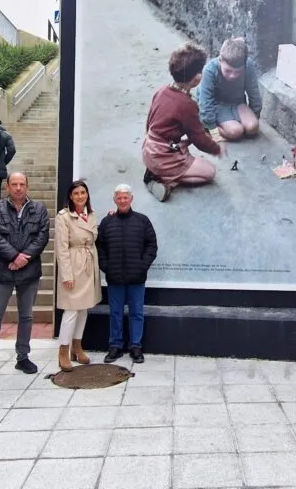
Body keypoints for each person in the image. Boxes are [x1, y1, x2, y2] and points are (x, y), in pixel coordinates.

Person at [0, 172, 50, 379]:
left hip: (29, 272)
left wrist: (24, 258)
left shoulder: (39, 209)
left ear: (27, 186)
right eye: (14, 184)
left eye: (22, 184)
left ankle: (23, 357)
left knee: (26, 316)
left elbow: (42, 236)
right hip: (2, 271)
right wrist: (14, 256)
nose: (18, 188)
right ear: (7, 186)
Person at [142, 43, 225, 202]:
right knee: (210, 172)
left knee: (187, 157)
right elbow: (198, 139)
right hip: (163, 154)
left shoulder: (161, 91)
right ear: (196, 78)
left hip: (149, 148)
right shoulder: (187, 104)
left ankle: (156, 170)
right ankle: (165, 179)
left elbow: (149, 123)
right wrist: (216, 149)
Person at [96, 184, 158, 364]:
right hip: (114, 278)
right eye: (119, 198)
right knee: (115, 313)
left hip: (136, 278)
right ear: (114, 200)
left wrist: (142, 266)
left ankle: (135, 346)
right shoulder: (107, 222)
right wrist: (106, 266)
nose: (122, 201)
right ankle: (115, 346)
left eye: (126, 197)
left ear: (131, 199)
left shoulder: (142, 221)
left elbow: (151, 246)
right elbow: (100, 247)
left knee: (136, 313)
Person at [55, 180, 101, 371]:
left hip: (89, 263)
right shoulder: (64, 217)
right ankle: (63, 351)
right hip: (73, 265)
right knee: (71, 310)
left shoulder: (91, 215)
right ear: (70, 197)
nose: (80, 196)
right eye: (76, 193)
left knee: (84, 309)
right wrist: (67, 274)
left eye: (83, 193)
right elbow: (61, 247)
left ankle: (77, 346)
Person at [197, 37, 262, 141]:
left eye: (237, 72)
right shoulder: (209, 70)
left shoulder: (248, 65)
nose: (232, 76)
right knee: (236, 132)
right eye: (228, 71)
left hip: (237, 102)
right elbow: (205, 102)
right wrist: (212, 129)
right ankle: (204, 128)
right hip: (216, 104)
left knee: (252, 128)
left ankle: (231, 125)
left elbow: (253, 91)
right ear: (220, 60)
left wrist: (255, 114)